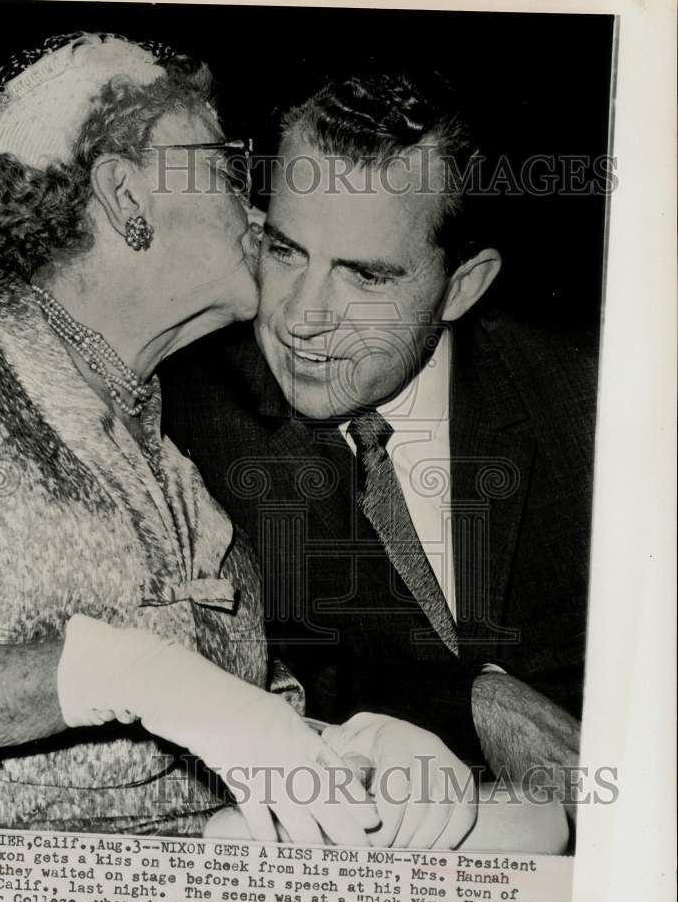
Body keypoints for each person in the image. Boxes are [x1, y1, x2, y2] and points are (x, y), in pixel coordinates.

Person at [0, 32, 388, 844]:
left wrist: (349, 745)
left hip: (195, 871)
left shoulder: (178, 455)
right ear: (126, 196)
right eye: (226, 166)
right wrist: (115, 673)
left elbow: (237, 712)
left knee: (527, 822)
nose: (261, 209)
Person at [160, 71, 597, 803]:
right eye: (285, 250)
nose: (301, 318)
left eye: (364, 277)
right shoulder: (189, 417)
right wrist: (477, 700)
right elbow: (284, 663)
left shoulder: (589, 399)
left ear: (462, 286)